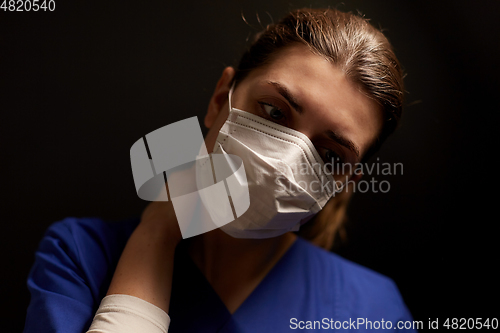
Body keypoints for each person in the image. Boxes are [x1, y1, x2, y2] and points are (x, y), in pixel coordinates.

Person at [24, 8, 416, 333]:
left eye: (330, 156)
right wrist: (157, 234)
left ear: (343, 182)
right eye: (275, 112)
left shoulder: (373, 310)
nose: (285, 161)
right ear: (219, 99)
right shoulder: (81, 255)